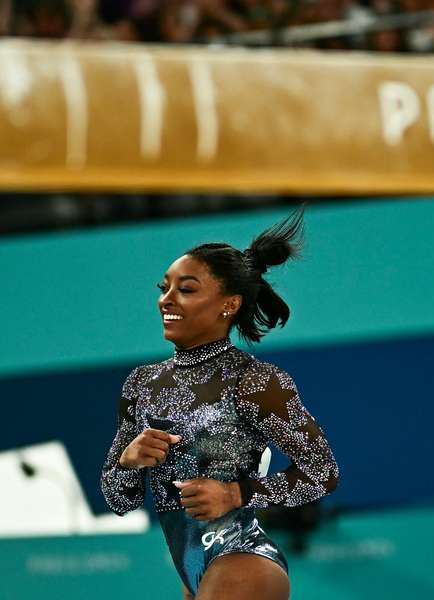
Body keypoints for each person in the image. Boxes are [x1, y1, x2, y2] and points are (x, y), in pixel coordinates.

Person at [100, 208, 339, 600]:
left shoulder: (256, 381)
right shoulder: (141, 384)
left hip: (242, 559)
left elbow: (323, 471)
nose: (166, 299)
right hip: (191, 572)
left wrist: (235, 494)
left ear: (228, 304)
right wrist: (127, 460)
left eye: (186, 289)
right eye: (163, 288)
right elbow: (120, 501)